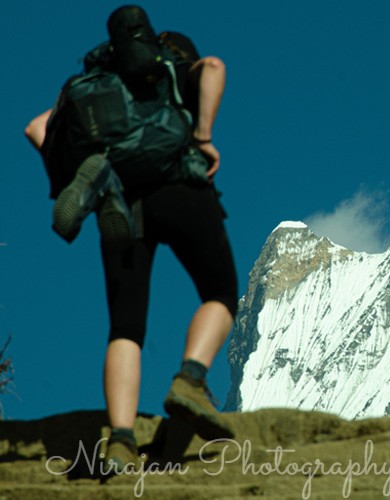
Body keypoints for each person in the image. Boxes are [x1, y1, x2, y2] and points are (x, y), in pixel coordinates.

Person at [25, 6, 238, 472]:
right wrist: (202, 136)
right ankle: (190, 379)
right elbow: (216, 68)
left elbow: (36, 128)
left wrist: (66, 179)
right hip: (180, 189)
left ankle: (120, 441)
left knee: (126, 328)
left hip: (122, 203)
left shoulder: (94, 89)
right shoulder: (173, 73)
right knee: (219, 292)